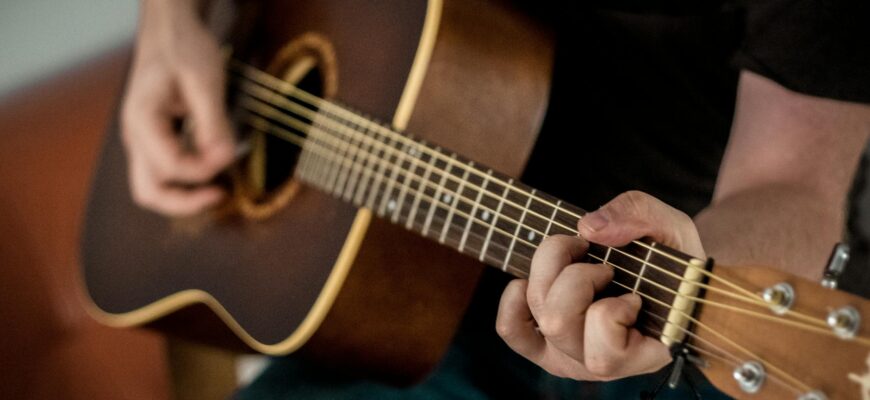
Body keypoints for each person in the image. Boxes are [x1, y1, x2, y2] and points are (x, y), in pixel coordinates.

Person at [121, 0, 870, 398]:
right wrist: (168, 23)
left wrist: (693, 268)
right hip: (396, 317)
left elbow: (797, 180)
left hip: (647, 326)